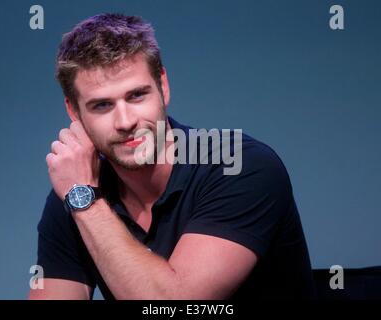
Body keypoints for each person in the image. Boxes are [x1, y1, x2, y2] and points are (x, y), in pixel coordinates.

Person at [28, 13, 316, 300]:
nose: (126, 121)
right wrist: (81, 196)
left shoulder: (242, 167)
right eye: (102, 105)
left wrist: (84, 201)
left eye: (137, 96)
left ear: (163, 87)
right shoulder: (79, 191)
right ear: (74, 112)